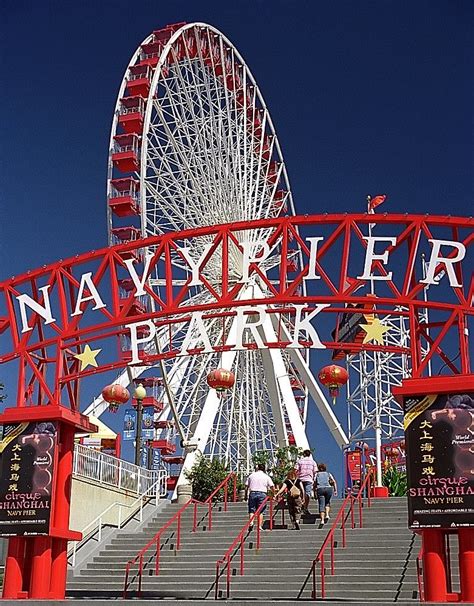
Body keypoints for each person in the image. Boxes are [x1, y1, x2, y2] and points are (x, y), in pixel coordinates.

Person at [245, 463, 274, 530]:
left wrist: (246, 494)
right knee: (261, 511)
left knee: (252, 510)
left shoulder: (251, 475)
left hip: (252, 493)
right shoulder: (266, 476)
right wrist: (273, 493)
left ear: (257, 468)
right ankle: (259, 526)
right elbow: (272, 486)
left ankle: (251, 522)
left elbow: (246, 486)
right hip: (262, 493)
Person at [314, 462, 337, 527]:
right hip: (328, 488)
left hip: (320, 489)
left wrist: (314, 491)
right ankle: (327, 515)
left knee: (321, 504)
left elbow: (314, 483)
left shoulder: (317, 474)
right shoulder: (328, 474)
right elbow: (334, 481)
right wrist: (335, 490)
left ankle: (322, 520)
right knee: (327, 502)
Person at [296, 449, 318, 514]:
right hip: (309, 479)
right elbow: (315, 472)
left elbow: (296, 470)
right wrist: (314, 480)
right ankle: (305, 507)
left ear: (304, 454)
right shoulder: (313, 462)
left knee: (300, 493)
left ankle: (300, 506)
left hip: (300, 479)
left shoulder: (299, 461)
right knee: (307, 493)